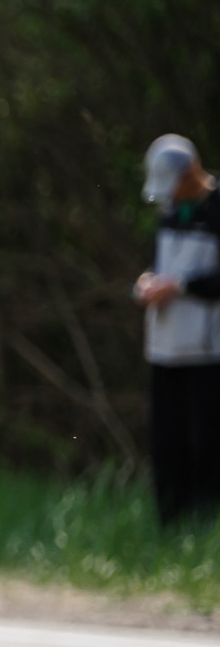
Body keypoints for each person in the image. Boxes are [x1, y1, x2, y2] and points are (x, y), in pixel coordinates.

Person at [133, 135, 220, 525]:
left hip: (206, 351)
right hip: (164, 347)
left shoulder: (217, 208)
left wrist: (181, 285)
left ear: (192, 174)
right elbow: (162, 263)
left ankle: (206, 523)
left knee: (205, 442)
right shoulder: (169, 211)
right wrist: (148, 283)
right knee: (166, 443)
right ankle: (169, 525)